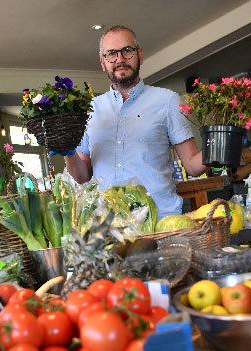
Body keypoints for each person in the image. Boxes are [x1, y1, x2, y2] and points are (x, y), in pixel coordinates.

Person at [61, 25, 207, 218]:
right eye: (111, 54)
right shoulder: (90, 109)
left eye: (127, 51)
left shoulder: (167, 100)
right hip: (109, 227)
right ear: (103, 63)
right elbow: (82, 176)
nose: (120, 59)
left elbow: (192, 165)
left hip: (160, 222)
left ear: (140, 55)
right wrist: (67, 151)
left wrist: (222, 142)